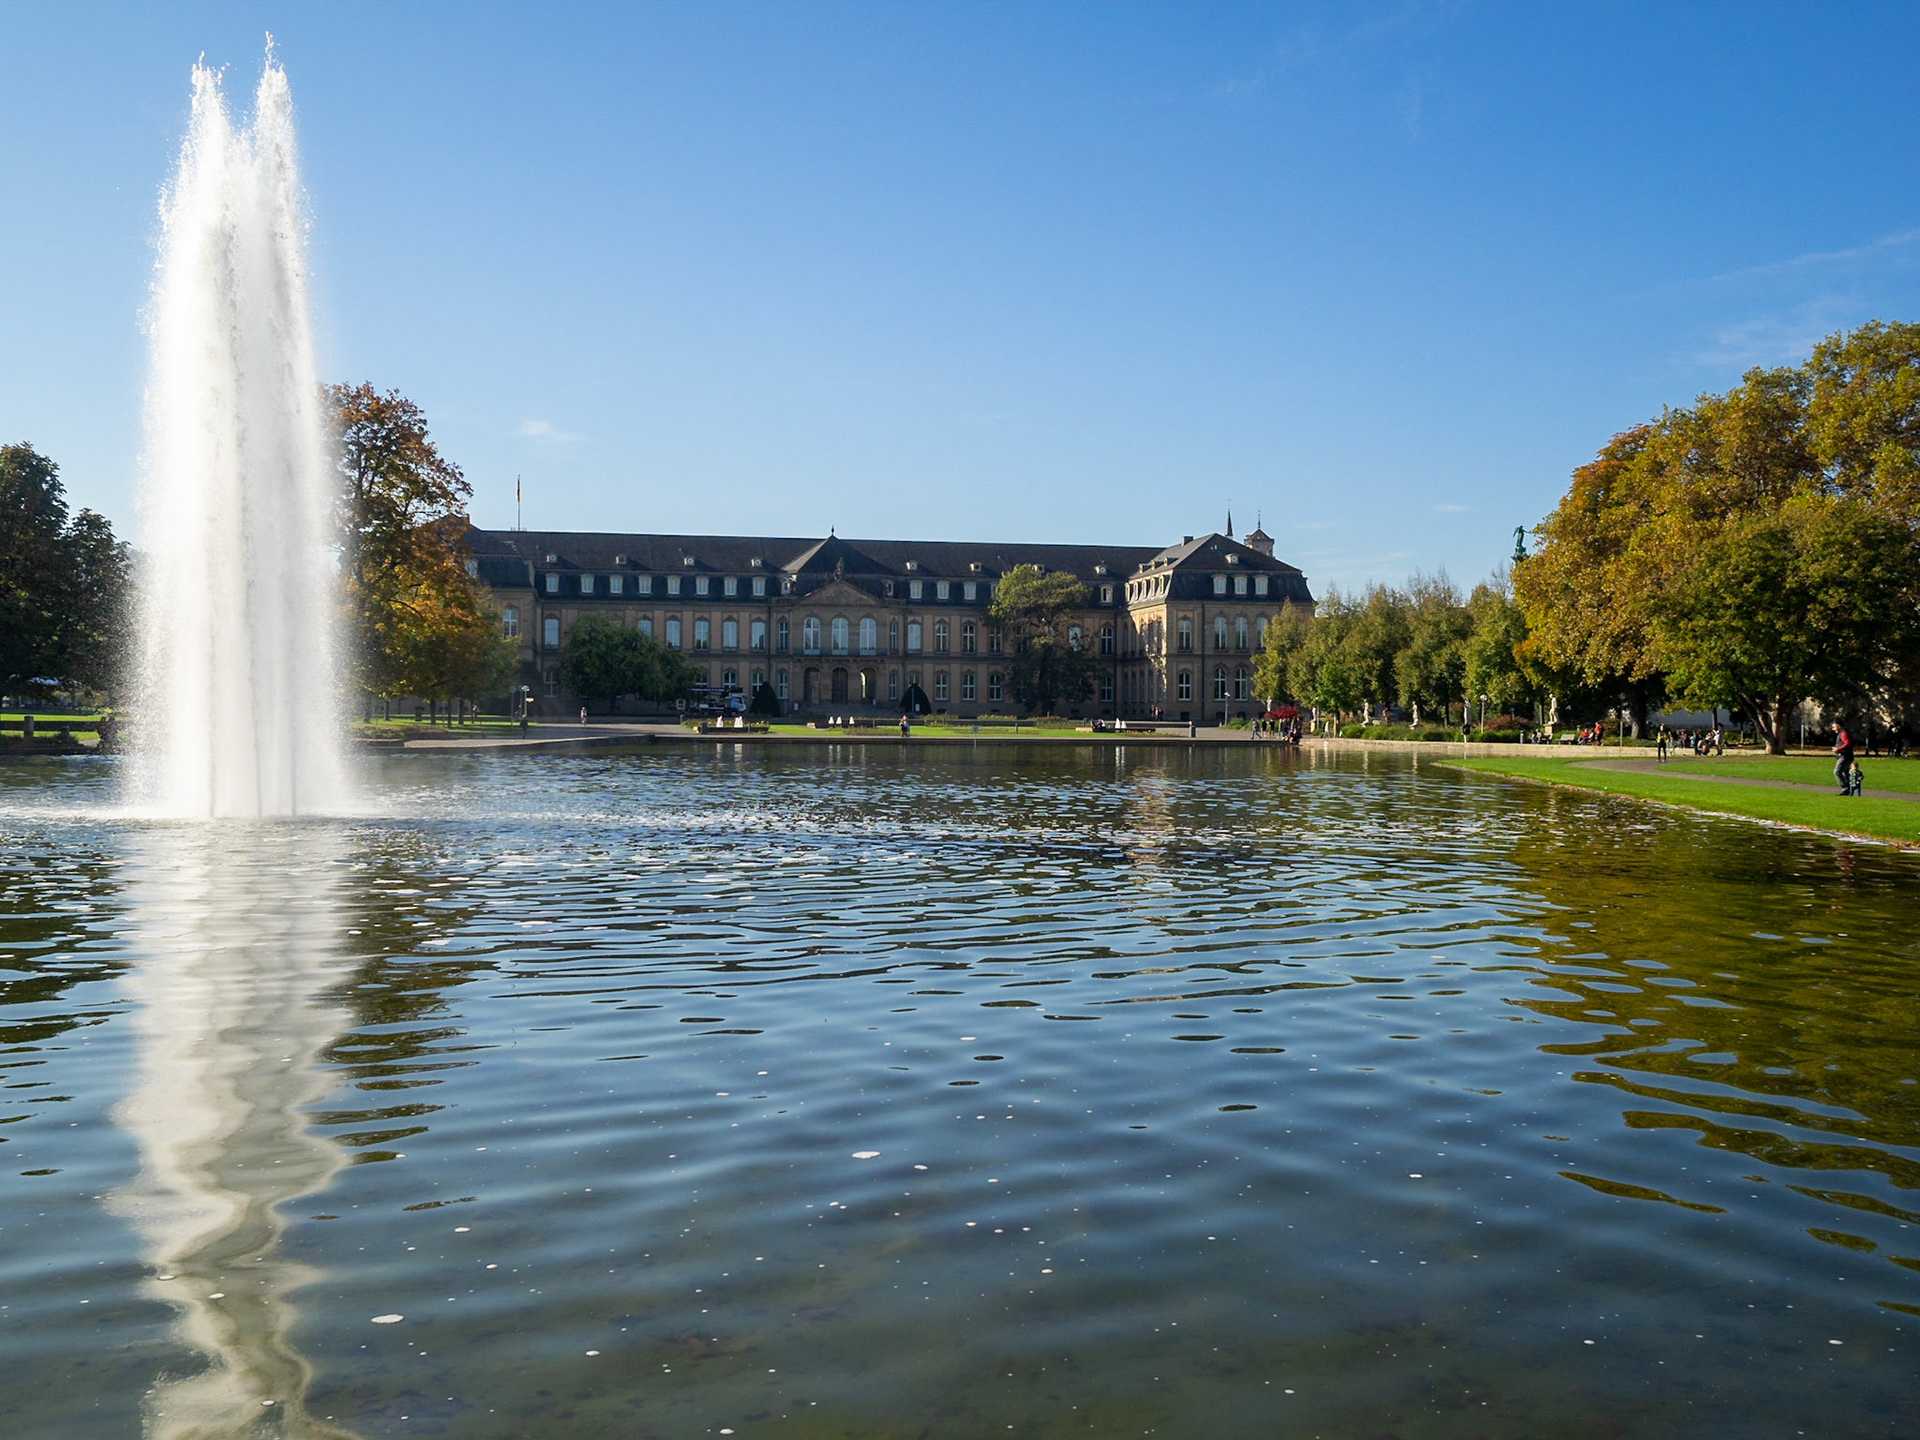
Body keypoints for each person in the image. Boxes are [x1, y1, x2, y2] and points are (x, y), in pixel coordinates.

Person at [1833, 722, 1854, 794]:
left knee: (1837, 771)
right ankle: (1849, 789)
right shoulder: (1842, 733)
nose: (1833, 729)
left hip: (1845, 756)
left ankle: (1845, 788)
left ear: (1838, 726)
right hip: (1846, 756)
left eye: (1834, 727)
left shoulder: (1843, 733)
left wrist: (1838, 749)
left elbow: (1847, 743)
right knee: (1845, 773)